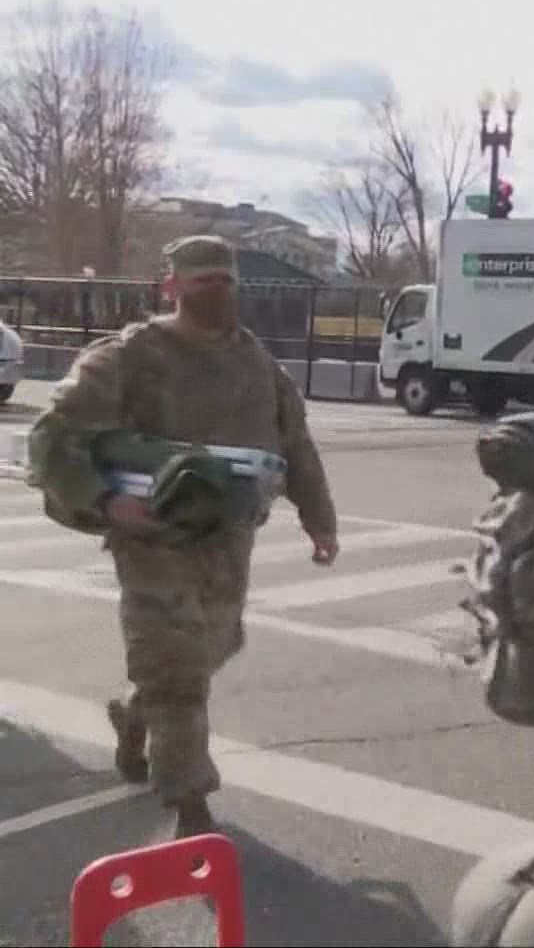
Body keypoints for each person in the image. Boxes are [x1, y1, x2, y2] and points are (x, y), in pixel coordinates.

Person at [29, 235, 338, 839]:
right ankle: (190, 804)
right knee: (175, 669)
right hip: (153, 538)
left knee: (215, 645)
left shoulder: (257, 363)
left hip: (229, 537)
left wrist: (318, 519)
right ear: (170, 287)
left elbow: (296, 444)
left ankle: (133, 714)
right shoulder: (129, 357)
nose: (216, 290)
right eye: (202, 281)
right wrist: (107, 500)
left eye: (225, 280)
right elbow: (52, 436)